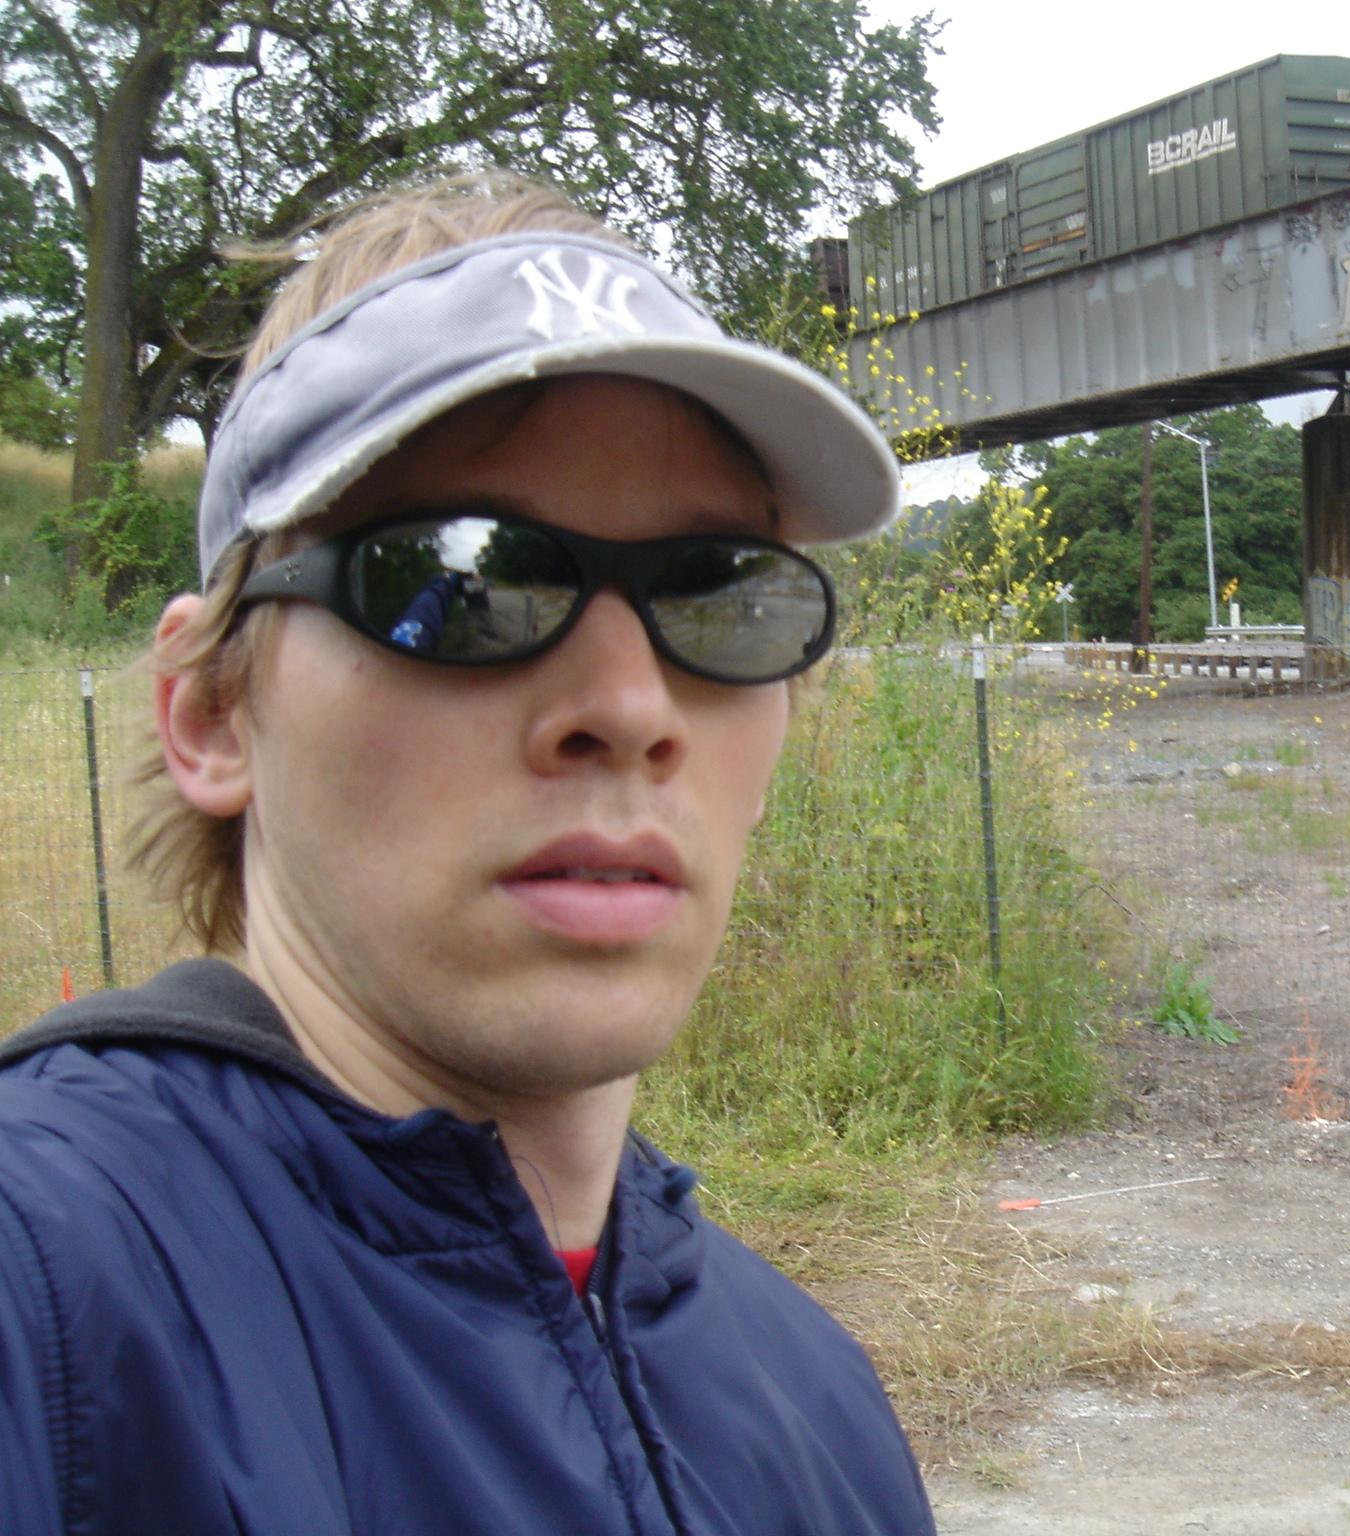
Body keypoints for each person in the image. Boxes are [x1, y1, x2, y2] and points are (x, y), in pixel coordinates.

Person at [0, 176, 935, 1535]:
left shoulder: (817, 1407)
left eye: (717, 592)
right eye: (466, 580)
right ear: (212, 712)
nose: (629, 705)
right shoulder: (47, 1303)